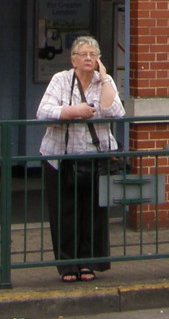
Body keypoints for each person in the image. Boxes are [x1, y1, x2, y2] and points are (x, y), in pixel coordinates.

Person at [36, 35, 124, 282]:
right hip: (61, 159)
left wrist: (105, 78)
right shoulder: (61, 80)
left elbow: (116, 112)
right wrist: (73, 111)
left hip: (95, 159)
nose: (89, 58)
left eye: (93, 54)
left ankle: (89, 263)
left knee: (93, 213)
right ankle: (68, 266)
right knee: (65, 213)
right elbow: (43, 111)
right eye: (83, 54)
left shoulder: (104, 82)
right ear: (73, 59)